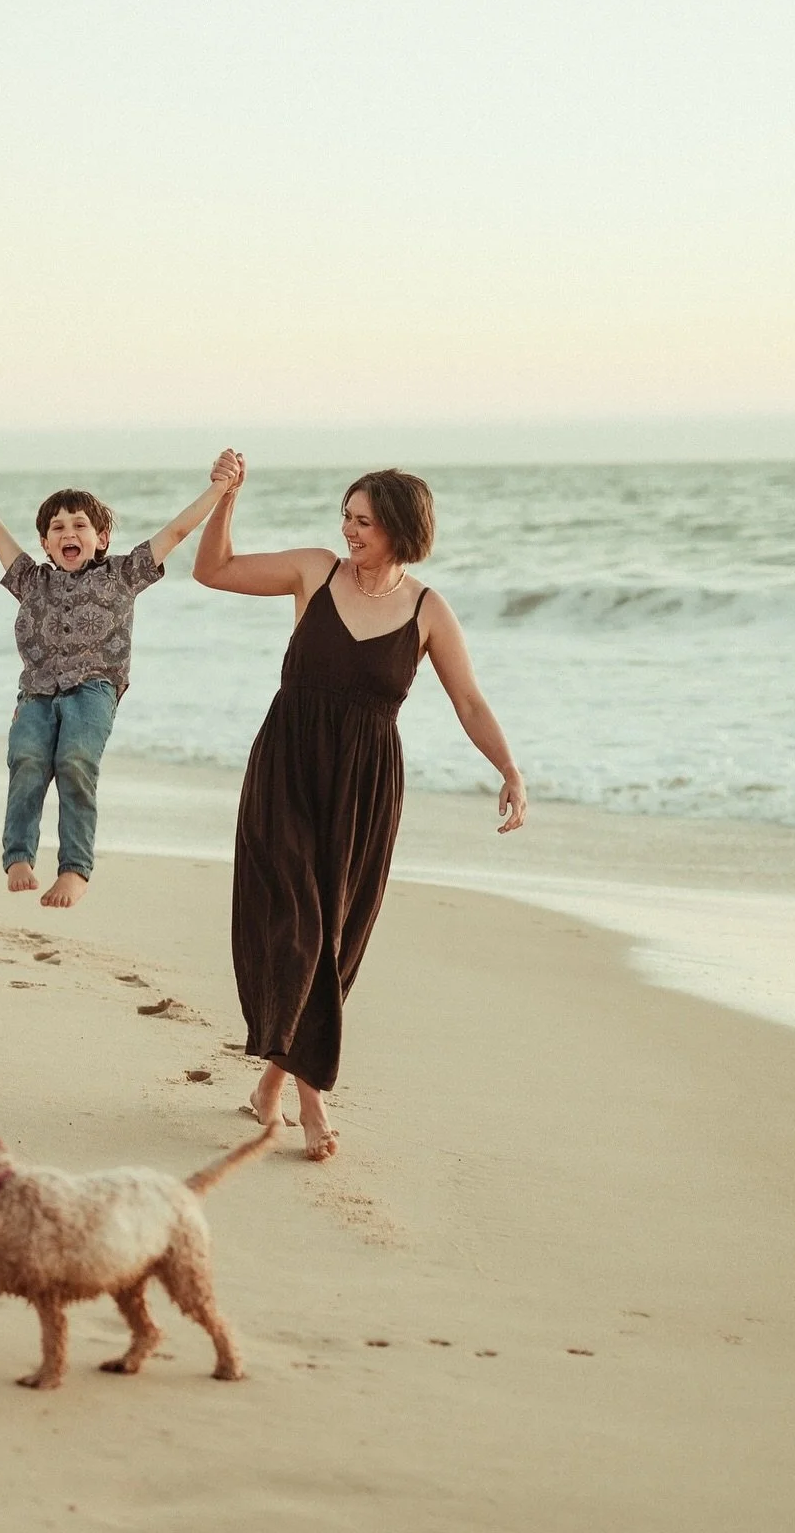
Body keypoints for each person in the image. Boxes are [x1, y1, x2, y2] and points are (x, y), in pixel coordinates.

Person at [193, 459, 526, 1161]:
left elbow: (469, 701)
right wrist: (226, 497)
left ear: (400, 527)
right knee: (299, 929)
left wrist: (509, 769)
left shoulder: (428, 610)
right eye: (346, 516)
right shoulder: (314, 572)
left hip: (365, 789)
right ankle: (313, 1100)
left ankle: (274, 1081)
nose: (349, 530)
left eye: (364, 521)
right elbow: (213, 570)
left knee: (337, 941)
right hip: (288, 768)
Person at [0, 454, 241, 907]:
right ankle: (18, 857)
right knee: (27, 759)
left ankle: (74, 870)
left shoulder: (123, 574)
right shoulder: (31, 580)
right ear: (45, 544)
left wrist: (220, 487)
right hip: (35, 693)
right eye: (57, 528)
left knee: (74, 762)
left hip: (94, 690)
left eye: (80, 525)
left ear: (102, 538)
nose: (68, 533)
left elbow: (176, 532)